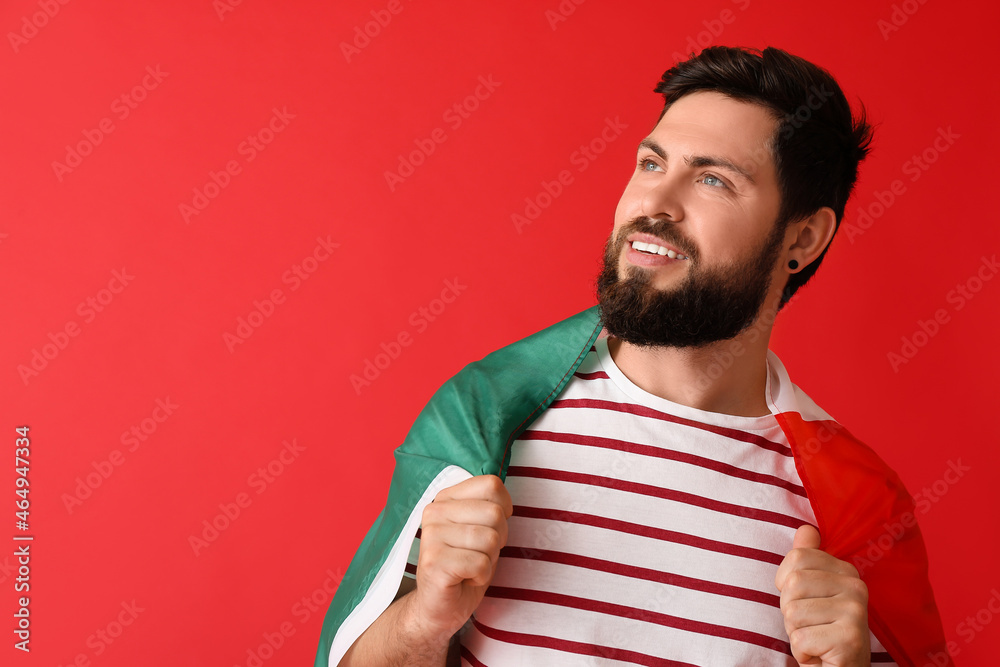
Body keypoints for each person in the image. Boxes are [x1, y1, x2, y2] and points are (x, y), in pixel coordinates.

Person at [315, 46, 950, 666]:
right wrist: (428, 617)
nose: (654, 204)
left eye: (711, 179)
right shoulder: (487, 419)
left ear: (804, 237)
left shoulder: (858, 505)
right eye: (651, 163)